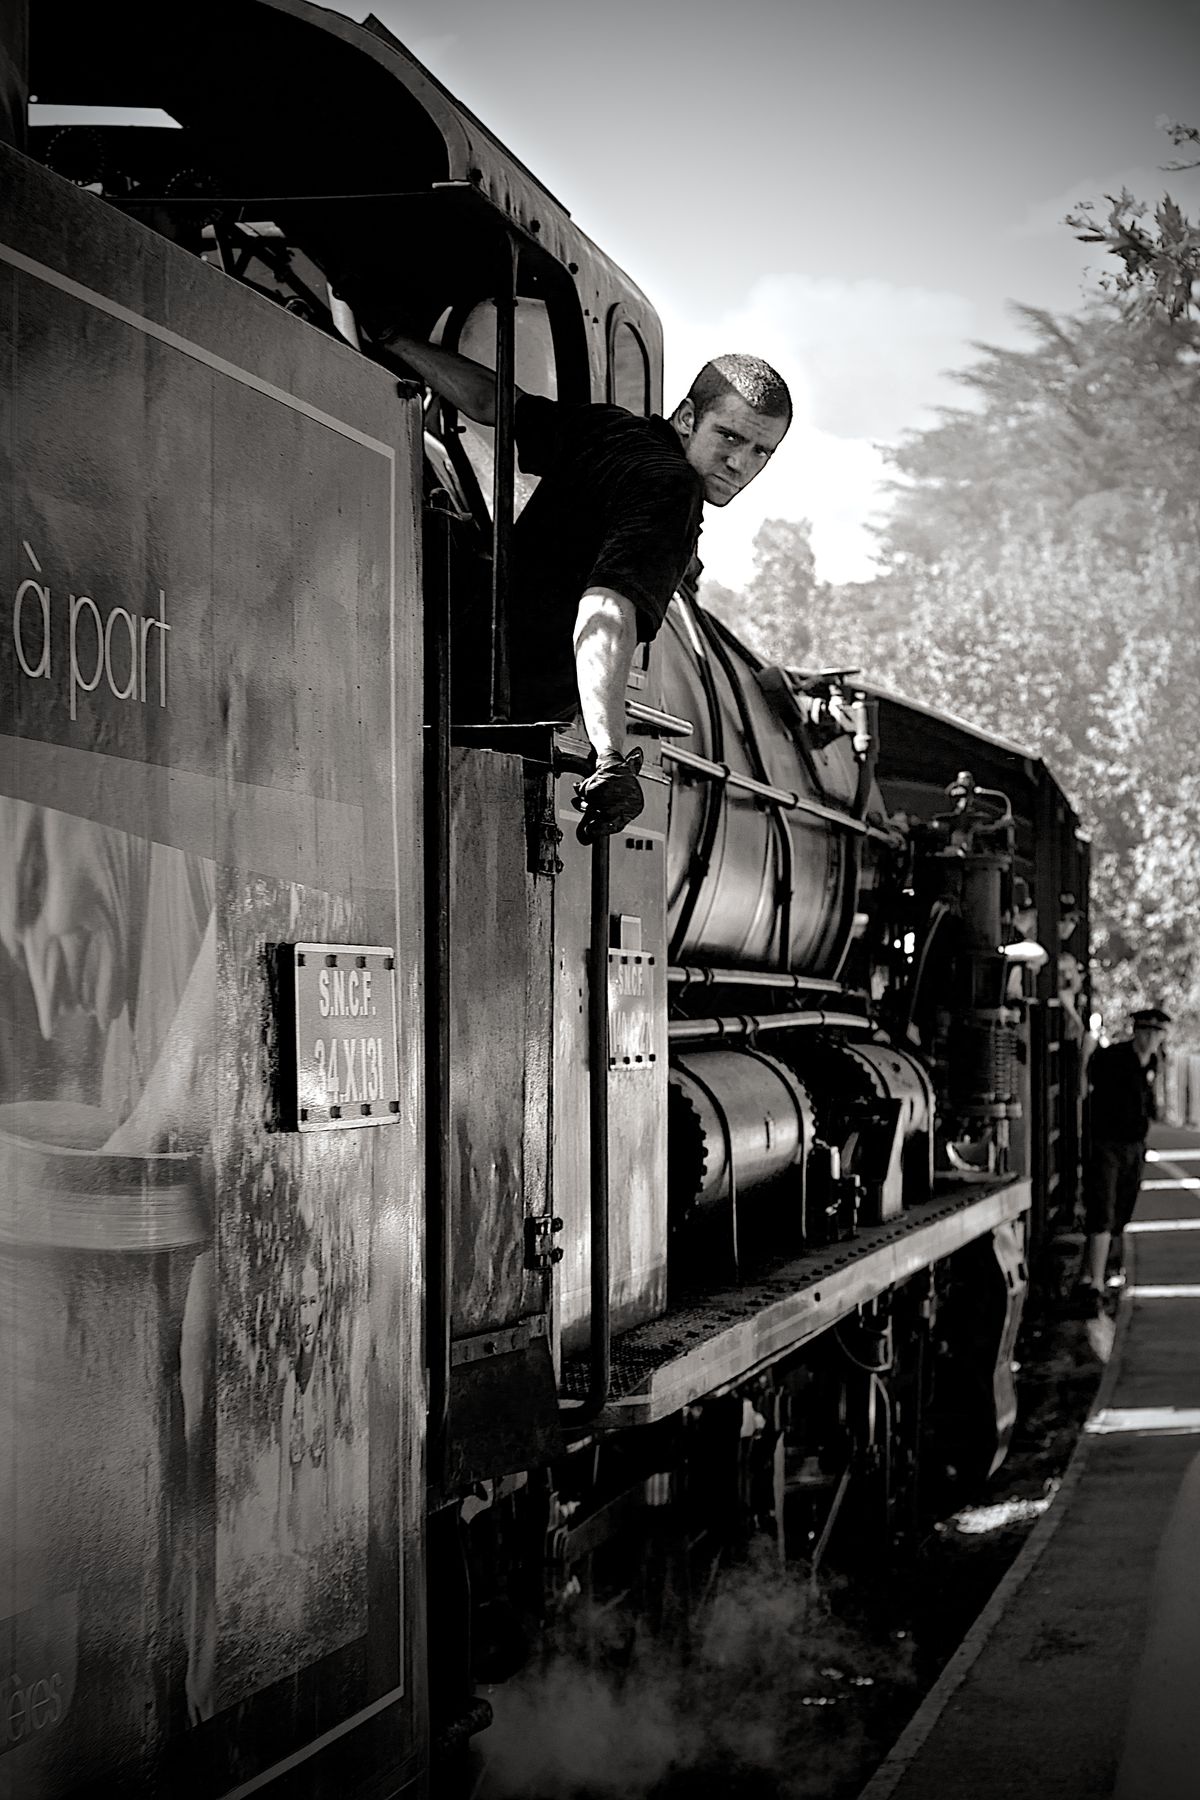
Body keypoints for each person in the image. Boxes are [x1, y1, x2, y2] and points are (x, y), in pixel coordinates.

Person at [387, 332, 791, 838]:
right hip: (487, 724)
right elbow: (606, 610)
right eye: (729, 437)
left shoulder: (610, 429)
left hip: (440, 674)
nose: (740, 463)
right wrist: (610, 755)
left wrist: (395, 339)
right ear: (688, 418)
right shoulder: (674, 487)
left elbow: (495, 402)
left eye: (761, 451)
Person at [1072, 1005, 1171, 1316]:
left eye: (1156, 1033)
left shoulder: (1152, 1063)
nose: (1151, 1039)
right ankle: (1094, 1284)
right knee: (1102, 1207)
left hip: (1134, 1146)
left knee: (1121, 1209)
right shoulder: (1114, 1058)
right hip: (1107, 1143)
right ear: (1136, 1032)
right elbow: (1090, 1087)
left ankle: (1093, 1273)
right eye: (1146, 1032)